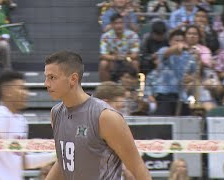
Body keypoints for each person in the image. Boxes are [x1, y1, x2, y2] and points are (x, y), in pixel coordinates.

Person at [44, 50, 151, 180]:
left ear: (73, 79)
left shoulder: (105, 117)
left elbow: (138, 167)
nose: (46, 84)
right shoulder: (56, 113)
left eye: (52, 77)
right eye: (46, 77)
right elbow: (64, 161)